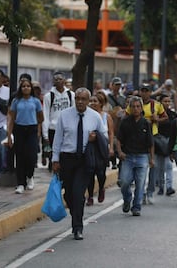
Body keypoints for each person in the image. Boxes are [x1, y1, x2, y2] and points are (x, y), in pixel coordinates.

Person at [52, 87, 106, 240]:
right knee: (69, 194)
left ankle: (77, 227)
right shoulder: (65, 115)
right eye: (78, 98)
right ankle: (75, 212)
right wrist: (55, 159)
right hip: (67, 159)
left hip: (85, 160)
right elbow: (58, 138)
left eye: (83, 99)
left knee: (78, 194)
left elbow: (104, 135)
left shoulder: (95, 117)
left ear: (89, 101)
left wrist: (96, 138)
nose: (80, 102)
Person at [117, 96, 154, 216]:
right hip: (127, 156)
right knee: (124, 181)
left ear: (141, 108)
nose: (136, 109)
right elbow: (119, 139)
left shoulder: (146, 123)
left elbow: (151, 143)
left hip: (142, 156)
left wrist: (151, 159)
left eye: (138, 106)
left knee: (140, 183)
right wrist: (120, 152)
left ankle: (136, 206)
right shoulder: (125, 122)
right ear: (130, 108)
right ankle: (127, 198)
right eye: (133, 106)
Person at [8, 79, 44, 194]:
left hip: (32, 130)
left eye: (28, 86)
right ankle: (20, 183)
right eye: (23, 86)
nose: (26, 88)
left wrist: (38, 131)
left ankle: (30, 176)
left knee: (31, 156)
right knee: (20, 157)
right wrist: (9, 135)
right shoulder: (16, 101)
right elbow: (11, 118)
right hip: (19, 130)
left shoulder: (36, 101)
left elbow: (41, 118)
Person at [42, 71, 75, 172]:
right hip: (53, 128)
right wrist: (45, 134)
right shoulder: (48, 96)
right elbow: (46, 115)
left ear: (64, 80)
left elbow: (74, 112)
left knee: (65, 150)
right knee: (54, 150)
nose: (58, 81)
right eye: (56, 79)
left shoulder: (71, 95)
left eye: (60, 79)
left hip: (67, 128)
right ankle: (53, 166)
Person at [86, 93, 114, 206]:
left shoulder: (106, 117)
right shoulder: (87, 116)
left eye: (95, 101)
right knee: (90, 172)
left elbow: (111, 133)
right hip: (90, 147)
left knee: (101, 172)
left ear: (101, 103)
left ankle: (101, 187)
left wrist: (111, 147)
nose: (92, 103)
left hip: (102, 148)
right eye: (91, 101)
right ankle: (90, 196)